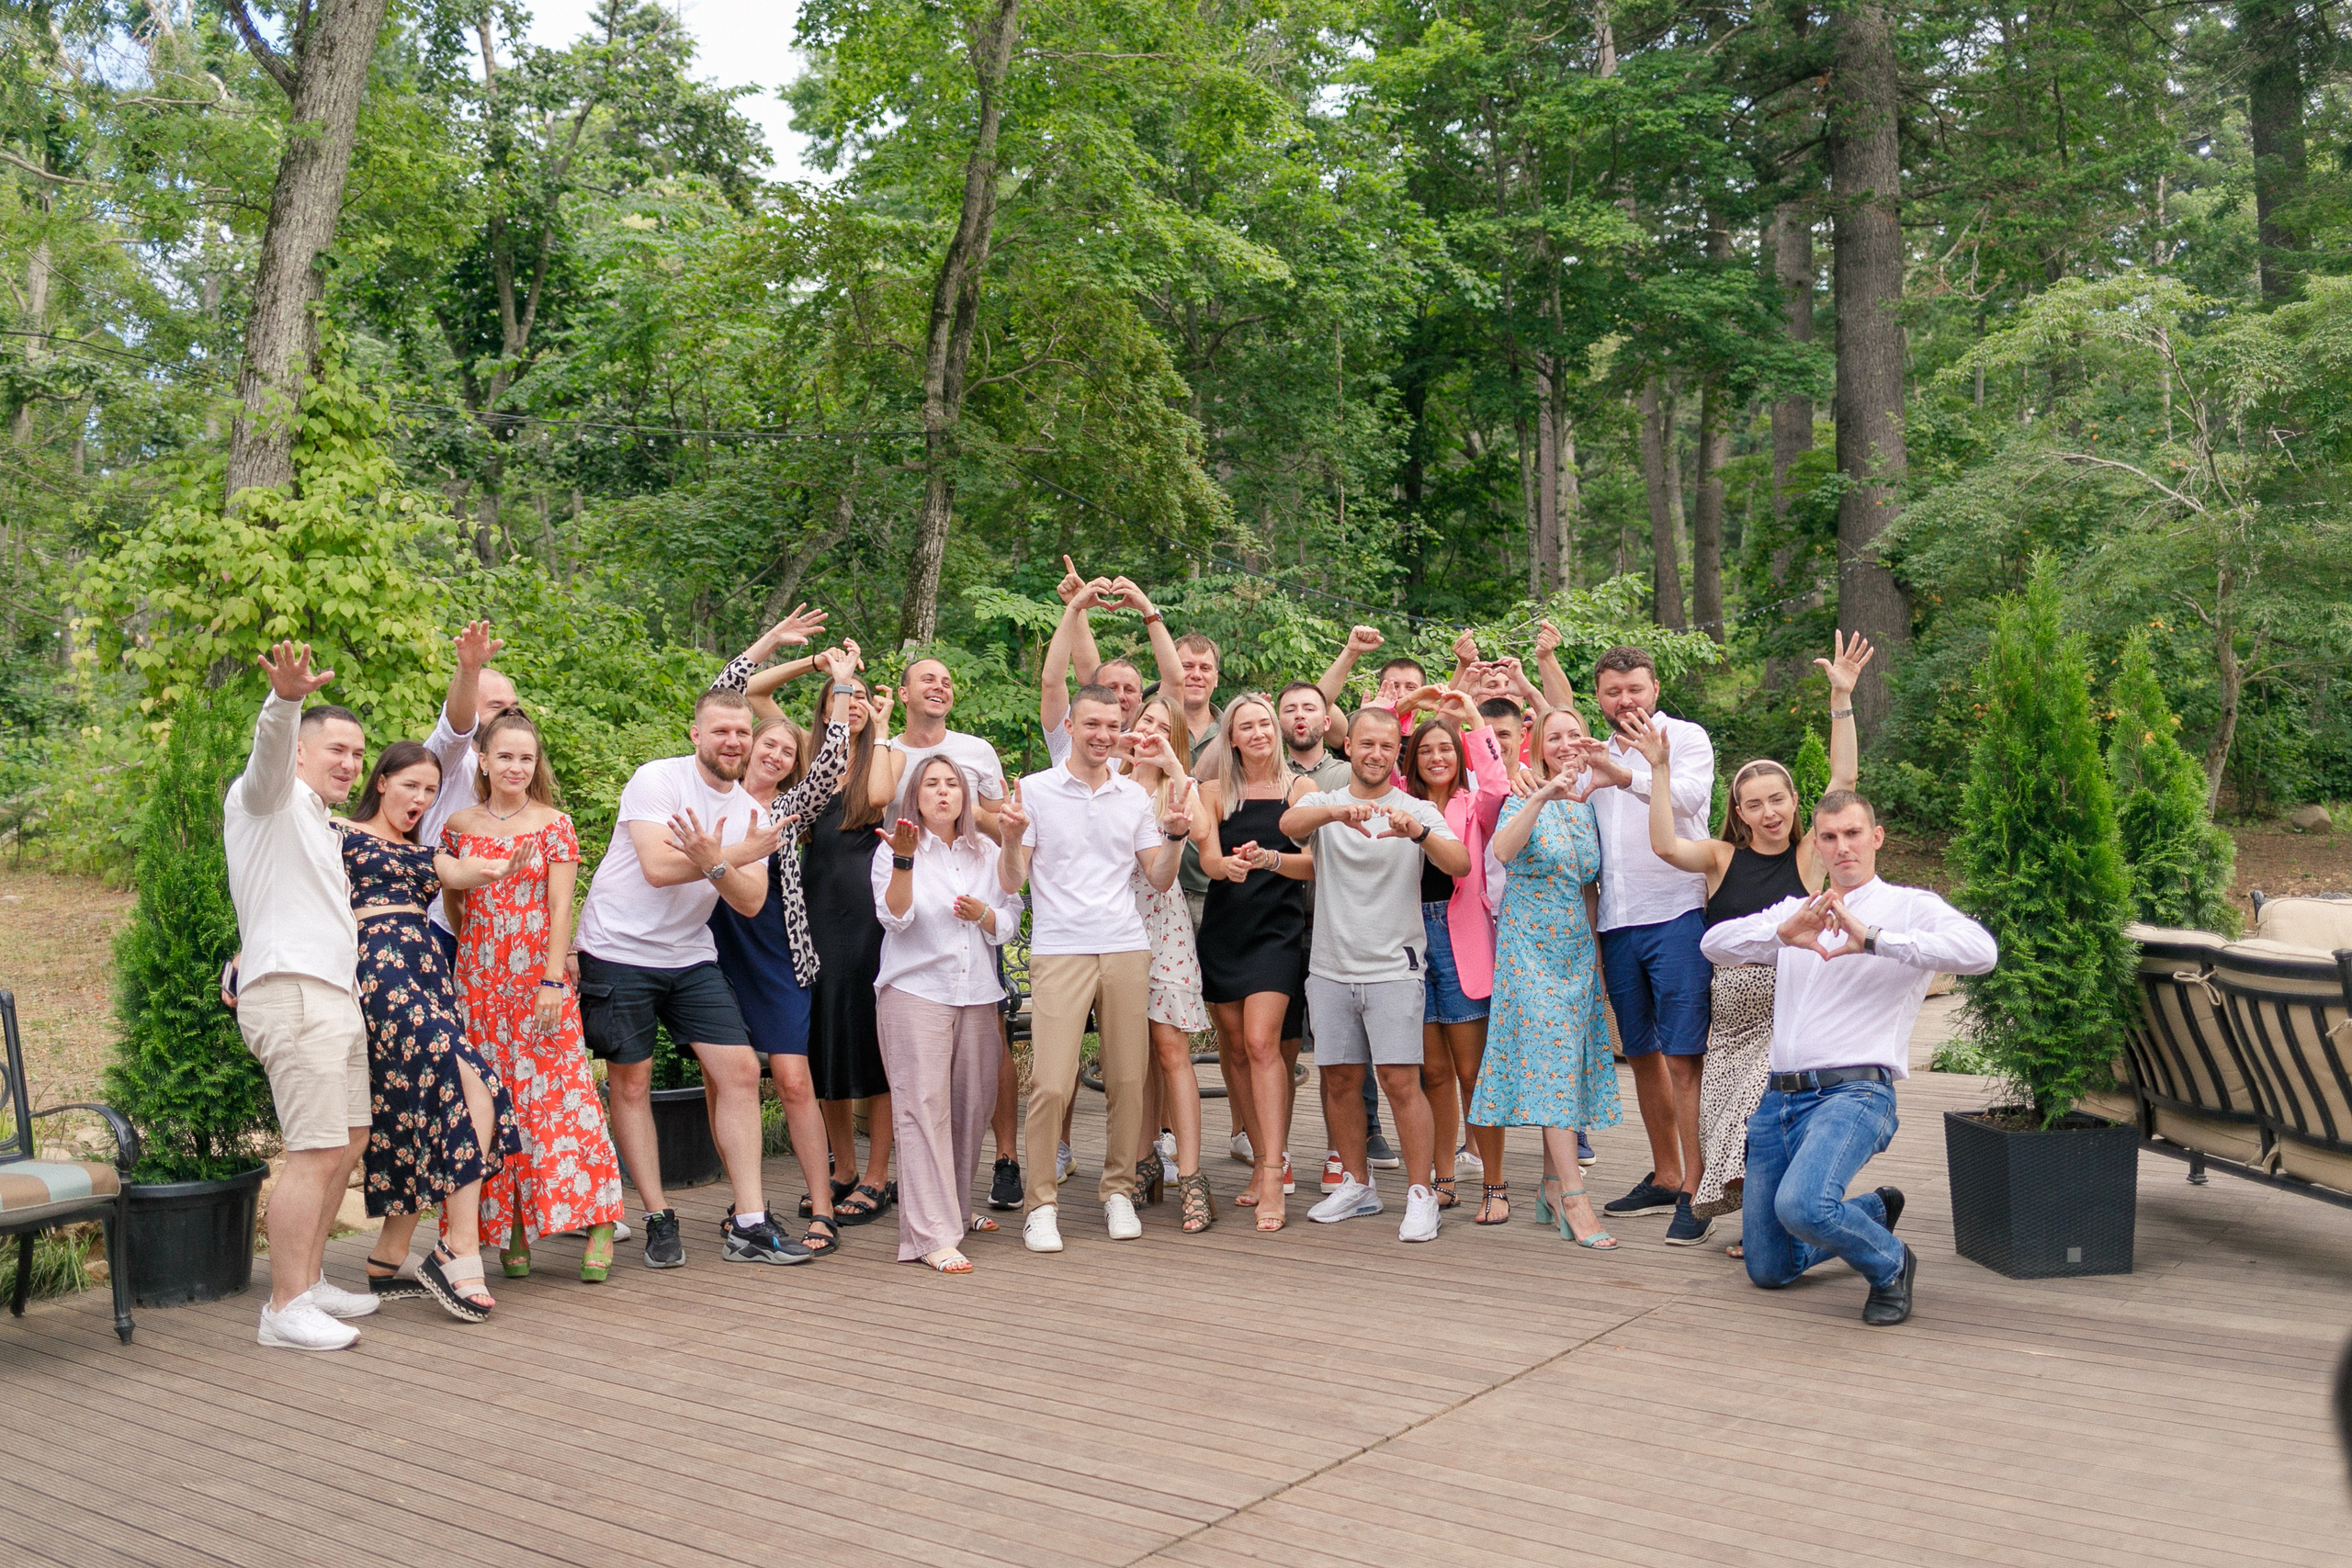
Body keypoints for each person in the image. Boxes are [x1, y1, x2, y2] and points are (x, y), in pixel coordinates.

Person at [1701, 790, 1997, 1325]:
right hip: (1778, 1100)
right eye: (1830, 837)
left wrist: (1875, 940)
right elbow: (1714, 944)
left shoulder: (1909, 907)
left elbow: (1981, 952)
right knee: (1768, 1267)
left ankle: (1890, 1264)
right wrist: (1780, 934)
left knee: (1803, 1207)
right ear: (1816, 843)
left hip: (1855, 1092)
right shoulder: (1799, 911)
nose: (1843, 847)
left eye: (1853, 834)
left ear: (1876, 837)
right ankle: (1874, 1212)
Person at [1623, 632, 1873, 1249]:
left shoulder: (1809, 857)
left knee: (1755, 1120)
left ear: (1794, 804)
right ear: (1737, 809)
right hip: (1730, 1018)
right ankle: (1769, 1224)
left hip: (1789, 1010)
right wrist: (1657, 769)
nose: (1769, 812)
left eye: (1779, 800)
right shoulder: (1719, 856)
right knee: (1722, 1123)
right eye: (1754, 803)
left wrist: (1841, 699)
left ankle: (1773, 1228)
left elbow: (1843, 776)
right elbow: (1662, 844)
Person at [574, 687, 794, 1269]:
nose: (734, 742)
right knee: (631, 1081)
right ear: (697, 734)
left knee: (741, 1070)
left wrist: (720, 858)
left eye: (742, 732)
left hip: (690, 954)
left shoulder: (755, 813)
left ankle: (748, 1223)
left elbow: (748, 903)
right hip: (618, 947)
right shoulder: (659, 780)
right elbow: (655, 867)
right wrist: (734, 854)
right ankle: (656, 1214)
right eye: (721, 731)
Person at [998, 684, 1193, 1252]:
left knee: (1129, 1080)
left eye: (1113, 725)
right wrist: (1010, 839)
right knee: (1051, 1082)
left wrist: (1176, 835)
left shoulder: (1133, 797)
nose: (1103, 735)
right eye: (1092, 725)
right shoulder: (1035, 791)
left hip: (1126, 946)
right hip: (1060, 949)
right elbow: (1012, 881)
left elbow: (1158, 877)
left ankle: (1118, 1191)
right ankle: (1040, 1204)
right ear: (1073, 725)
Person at [222, 643, 379, 1350]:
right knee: (313, 1149)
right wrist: (285, 701)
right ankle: (283, 1309)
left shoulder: (318, 819)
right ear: (301, 753)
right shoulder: (268, 795)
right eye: (337, 749)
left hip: (332, 997)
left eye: (358, 752)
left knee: (349, 1140)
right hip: (293, 996)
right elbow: (267, 753)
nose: (351, 762)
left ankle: (308, 1282)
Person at [337, 741, 525, 1322]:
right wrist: (246, 955)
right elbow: (284, 896)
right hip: (376, 973)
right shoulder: (337, 832)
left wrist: (494, 866)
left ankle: (389, 1256)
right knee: (461, 1081)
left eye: (429, 791)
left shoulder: (424, 852)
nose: (419, 799)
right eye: (410, 786)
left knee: (447, 1097)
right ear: (382, 781)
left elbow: (458, 870)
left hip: (426, 974)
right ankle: (457, 1249)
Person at [441, 711, 628, 1282]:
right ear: (483, 759)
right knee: (491, 1106)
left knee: (563, 1097)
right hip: (479, 981)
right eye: (505, 756)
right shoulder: (458, 823)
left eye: (526, 758)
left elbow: (559, 908)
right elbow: (455, 903)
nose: (516, 767)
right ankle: (510, 1223)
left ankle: (598, 1217)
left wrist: (552, 980)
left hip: (536, 983)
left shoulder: (555, 824)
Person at [1281, 706, 1467, 1243]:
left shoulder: (1414, 809)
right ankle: (1358, 1185)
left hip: (1394, 967)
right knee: (1339, 1079)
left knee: (1400, 1081)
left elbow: (1458, 864)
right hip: (1330, 966)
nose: (1376, 754)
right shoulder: (1323, 800)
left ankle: (1420, 1194)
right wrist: (1335, 817)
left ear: (1397, 753)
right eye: (1366, 744)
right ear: (1350, 746)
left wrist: (1418, 835)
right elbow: (1289, 825)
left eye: (1387, 746)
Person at [706, 643, 862, 1258]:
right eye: (764, 742)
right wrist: (798, 658)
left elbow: (829, 765)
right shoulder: (714, 793)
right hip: (712, 949)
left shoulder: (790, 808)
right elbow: (725, 688)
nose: (773, 753)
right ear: (744, 746)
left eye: (785, 750)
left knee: (794, 1078)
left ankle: (821, 1207)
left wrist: (842, 683)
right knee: (724, 1081)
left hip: (777, 949)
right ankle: (747, 1203)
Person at [1579, 645, 1718, 1237]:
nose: (1625, 700)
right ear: (1601, 698)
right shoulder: (1595, 753)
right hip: (1617, 919)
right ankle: (1666, 1175)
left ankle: (1700, 1185)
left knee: (1685, 1057)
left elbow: (1687, 799)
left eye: (1634, 689)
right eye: (1612, 692)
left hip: (1678, 912)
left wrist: (1630, 775)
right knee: (1639, 1053)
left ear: (1655, 689)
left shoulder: (1685, 738)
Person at [1474, 707, 1623, 1250]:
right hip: (1528, 953)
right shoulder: (1522, 796)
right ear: (1538, 745)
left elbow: (1589, 890)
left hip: (1576, 954)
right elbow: (1503, 852)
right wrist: (1539, 795)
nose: (1564, 745)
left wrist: (1599, 965)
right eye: (1553, 737)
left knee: (1564, 1064)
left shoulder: (1587, 811)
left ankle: (1550, 1185)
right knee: (1552, 1068)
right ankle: (1576, 1200)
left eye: (1571, 736)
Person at [871, 756, 1026, 1271]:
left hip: (977, 993)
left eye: (952, 784)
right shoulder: (894, 847)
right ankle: (929, 1235)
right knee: (922, 1110)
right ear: (914, 795)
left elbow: (1008, 918)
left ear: (965, 796)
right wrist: (905, 862)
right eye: (932, 784)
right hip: (916, 990)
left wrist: (986, 912)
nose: (943, 792)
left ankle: (952, 1214)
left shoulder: (985, 850)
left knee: (970, 1110)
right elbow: (895, 917)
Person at [1193, 694, 1315, 1225]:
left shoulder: (1301, 789)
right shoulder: (1214, 791)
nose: (1260, 732)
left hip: (1277, 930)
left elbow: (1313, 865)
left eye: (1266, 722)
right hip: (1225, 929)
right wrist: (1231, 867)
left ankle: (1272, 1174)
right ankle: (1267, 1153)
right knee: (1237, 1049)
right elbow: (1209, 862)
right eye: (1247, 726)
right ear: (1232, 738)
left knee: (1264, 1043)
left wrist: (1270, 859)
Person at [797, 665, 907, 1225]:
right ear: (825, 708)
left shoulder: (883, 756)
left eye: (863, 695)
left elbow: (880, 796)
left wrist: (882, 725)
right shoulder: (805, 763)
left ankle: (876, 1175)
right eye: (845, 696)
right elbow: (756, 694)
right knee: (827, 1043)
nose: (856, 701)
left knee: (870, 1041)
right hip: (813, 917)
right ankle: (841, 1167)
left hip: (867, 918)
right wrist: (826, 672)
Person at [1400, 692, 1511, 1219]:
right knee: (1434, 1073)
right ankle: (1442, 1178)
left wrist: (1470, 715)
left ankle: (1494, 1184)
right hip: (1408, 940)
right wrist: (1410, 707)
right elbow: (1375, 751)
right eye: (1426, 750)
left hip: (1459, 936)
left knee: (1473, 1071)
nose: (1437, 758)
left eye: (1446, 749)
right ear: (1415, 760)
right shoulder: (1401, 798)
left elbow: (1498, 784)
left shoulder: (1475, 804)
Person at [1121, 696, 1216, 1233]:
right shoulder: (1109, 782)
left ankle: (1193, 1177)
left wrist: (1176, 765)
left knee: (1171, 1047)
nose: (1151, 731)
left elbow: (1201, 832)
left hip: (1164, 925)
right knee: (1132, 1054)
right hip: (1115, 926)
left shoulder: (1172, 789)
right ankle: (1141, 1161)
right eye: (1146, 722)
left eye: (1164, 727)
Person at [416, 622, 525, 969]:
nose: (510, 714)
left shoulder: (522, 771)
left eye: (514, 706)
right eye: (496, 706)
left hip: (506, 931)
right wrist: (469, 669)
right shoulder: (446, 760)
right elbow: (456, 726)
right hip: (442, 928)